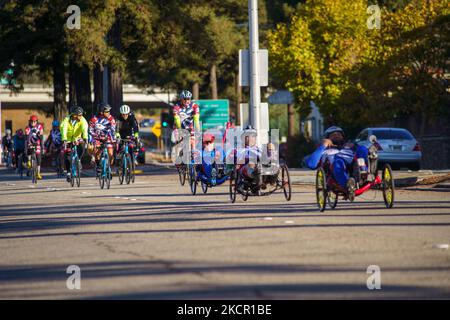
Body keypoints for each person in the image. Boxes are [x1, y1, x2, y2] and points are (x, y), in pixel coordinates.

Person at [306, 126, 370, 196]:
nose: (336, 136)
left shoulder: (350, 146)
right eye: (333, 135)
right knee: (338, 162)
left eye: (339, 134)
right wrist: (323, 145)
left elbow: (363, 152)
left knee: (362, 149)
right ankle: (348, 184)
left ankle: (362, 171)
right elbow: (311, 164)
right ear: (327, 138)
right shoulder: (324, 150)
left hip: (355, 164)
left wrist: (355, 146)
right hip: (337, 169)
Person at [60, 106, 89, 181]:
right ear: (74, 115)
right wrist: (64, 139)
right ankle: (68, 173)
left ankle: (78, 160)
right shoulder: (67, 120)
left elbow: (84, 128)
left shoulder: (82, 120)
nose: (80, 116)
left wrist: (85, 137)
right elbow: (64, 128)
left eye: (81, 115)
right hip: (68, 138)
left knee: (82, 146)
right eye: (79, 115)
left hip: (77, 137)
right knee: (68, 156)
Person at [89, 102, 116, 170]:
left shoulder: (111, 119)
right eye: (107, 111)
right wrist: (95, 137)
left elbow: (113, 130)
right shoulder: (94, 119)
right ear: (101, 112)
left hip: (108, 137)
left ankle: (108, 167)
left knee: (110, 154)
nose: (109, 113)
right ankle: (98, 165)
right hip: (98, 138)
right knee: (96, 152)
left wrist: (114, 139)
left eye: (109, 111)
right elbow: (90, 130)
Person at [25, 115, 44, 179]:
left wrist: (42, 147)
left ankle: (38, 173)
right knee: (28, 149)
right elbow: (27, 137)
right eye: (31, 121)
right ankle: (29, 161)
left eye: (34, 121)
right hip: (30, 142)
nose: (33, 123)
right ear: (29, 122)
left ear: (37, 122)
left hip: (37, 143)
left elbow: (41, 137)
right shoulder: (27, 127)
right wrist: (28, 144)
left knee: (39, 159)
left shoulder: (40, 126)